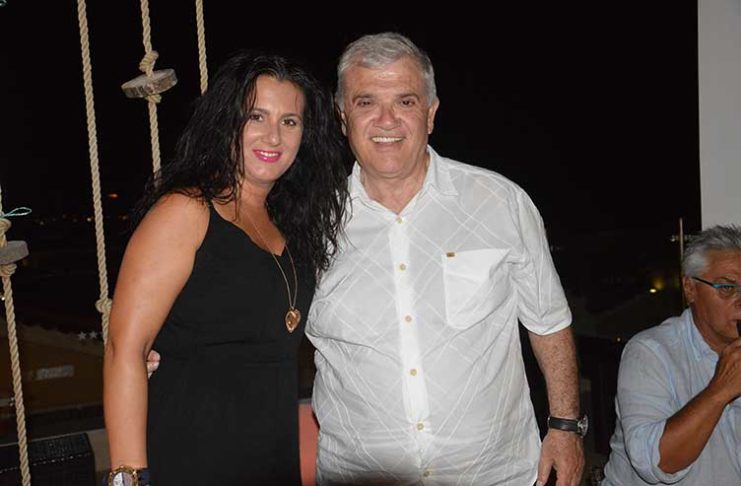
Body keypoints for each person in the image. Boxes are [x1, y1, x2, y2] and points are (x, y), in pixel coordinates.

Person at [306, 32, 585, 485]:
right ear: (342, 116)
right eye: (366, 102)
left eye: (405, 101)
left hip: (496, 475)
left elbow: (549, 322)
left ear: (431, 114)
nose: (386, 120)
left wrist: (566, 427)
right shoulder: (310, 223)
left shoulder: (500, 202)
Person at [103, 51, 348, 486]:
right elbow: (125, 349)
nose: (273, 136)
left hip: (270, 462)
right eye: (256, 116)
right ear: (226, 123)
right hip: (186, 461)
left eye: (290, 121)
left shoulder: (292, 227)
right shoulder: (187, 211)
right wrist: (127, 479)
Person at [602, 225, 741, 485]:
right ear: (690, 288)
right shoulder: (649, 353)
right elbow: (654, 463)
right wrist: (721, 390)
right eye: (727, 288)